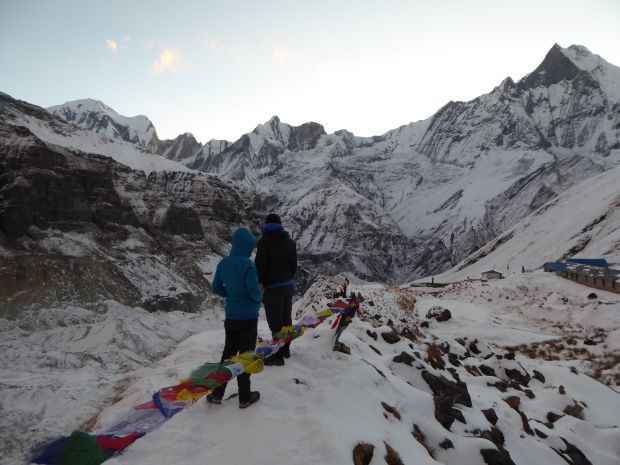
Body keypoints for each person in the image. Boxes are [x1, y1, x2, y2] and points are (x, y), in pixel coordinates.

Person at [207, 227, 262, 408]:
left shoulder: (224, 263)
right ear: (246, 245)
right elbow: (254, 292)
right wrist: (259, 297)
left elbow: (216, 288)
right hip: (248, 317)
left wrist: (231, 295)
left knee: (228, 355)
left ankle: (217, 393)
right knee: (245, 356)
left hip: (231, 316)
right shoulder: (248, 264)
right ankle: (245, 397)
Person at [255, 213, 297, 366]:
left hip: (273, 287)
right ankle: (286, 349)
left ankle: (277, 356)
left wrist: (258, 284)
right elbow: (294, 265)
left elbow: (259, 266)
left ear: (267, 225)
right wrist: (288, 279)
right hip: (288, 285)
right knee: (286, 319)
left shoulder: (264, 242)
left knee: (275, 322)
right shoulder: (290, 242)